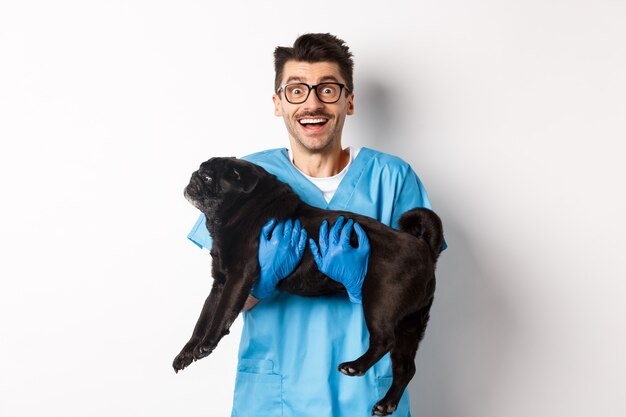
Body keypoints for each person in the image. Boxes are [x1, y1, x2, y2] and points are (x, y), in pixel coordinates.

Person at [187, 33, 441, 417]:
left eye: (327, 89)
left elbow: (417, 286)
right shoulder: (244, 178)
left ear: (349, 101)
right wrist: (262, 280)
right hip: (276, 399)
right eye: (296, 90)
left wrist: (362, 285)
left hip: (364, 397)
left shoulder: (392, 178)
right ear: (278, 103)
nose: (312, 103)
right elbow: (224, 289)